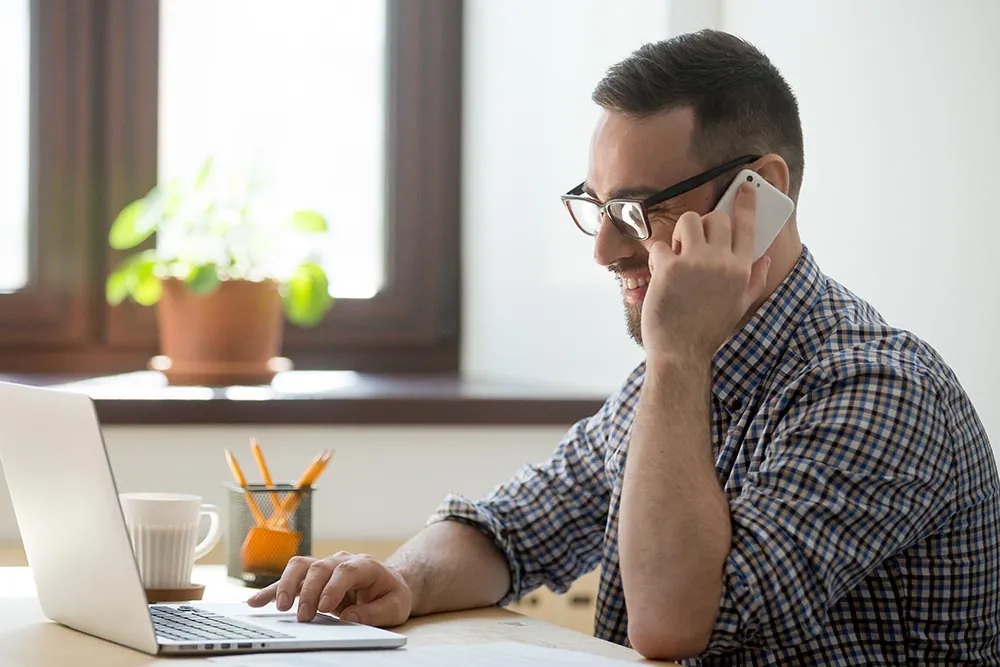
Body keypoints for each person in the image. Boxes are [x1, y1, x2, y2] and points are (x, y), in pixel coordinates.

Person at [247, 29, 1000, 665]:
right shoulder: (677, 377)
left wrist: (677, 357)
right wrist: (402, 578)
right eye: (598, 207)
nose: (605, 249)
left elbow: (675, 627)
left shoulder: (878, 389)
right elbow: (513, 528)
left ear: (761, 194)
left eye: (640, 210)